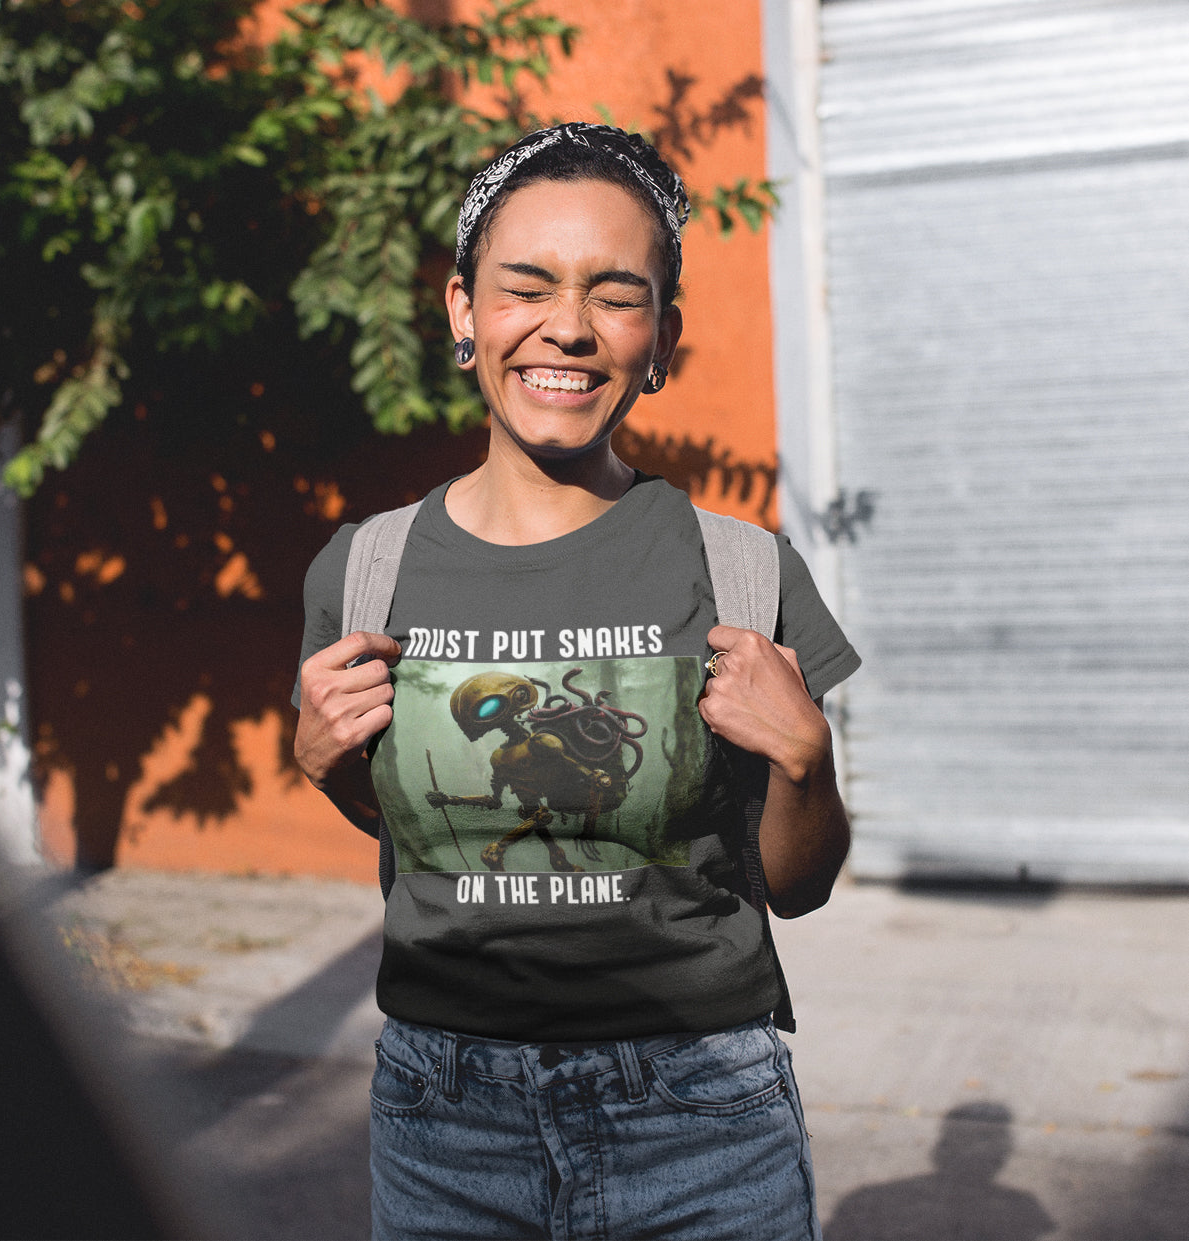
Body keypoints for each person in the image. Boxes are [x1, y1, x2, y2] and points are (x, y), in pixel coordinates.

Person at [292, 123, 860, 1241]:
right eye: (526, 286)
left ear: (661, 337)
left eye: (615, 293)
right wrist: (325, 772)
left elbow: (795, 886)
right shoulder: (366, 569)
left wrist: (804, 759)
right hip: (442, 1118)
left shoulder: (740, 567)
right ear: (463, 311)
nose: (567, 325)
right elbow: (422, 845)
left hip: (699, 1113)